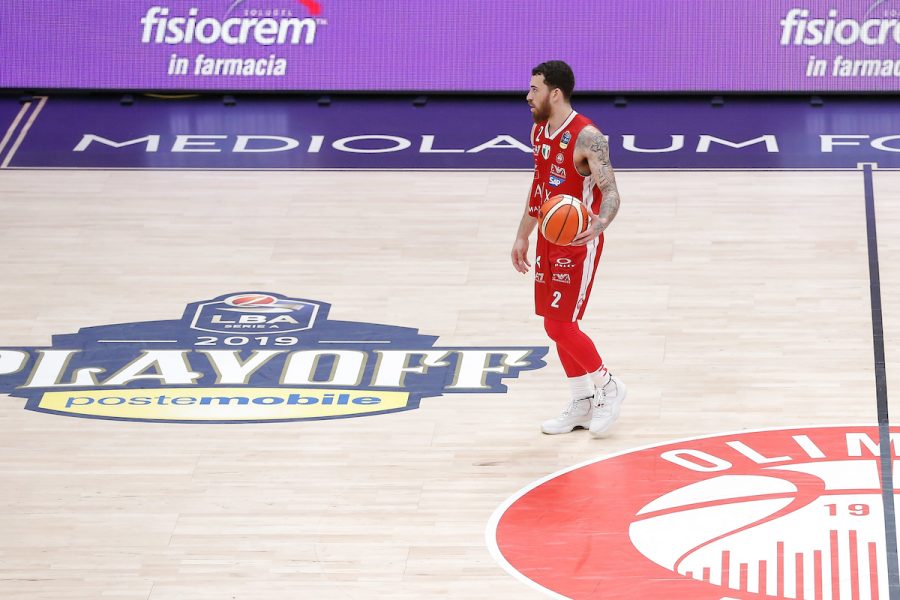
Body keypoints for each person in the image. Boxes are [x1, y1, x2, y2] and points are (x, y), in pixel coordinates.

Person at [510, 60, 626, 437]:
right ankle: (582, 400)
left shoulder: (588, 137)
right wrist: (523, 234)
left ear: (555, 93)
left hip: (577, 242)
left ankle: (609, 386)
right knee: (554, 325)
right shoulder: (538, 131)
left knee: (561, 324)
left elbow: (611, 192)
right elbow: (539, 186)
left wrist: (599, 225)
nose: (528, 96)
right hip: (547, 238)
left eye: (535, 89)